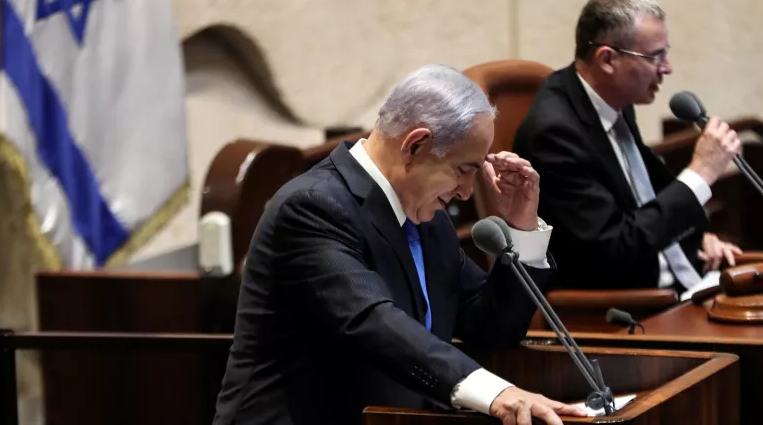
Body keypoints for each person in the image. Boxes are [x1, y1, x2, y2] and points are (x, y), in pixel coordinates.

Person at [213, 64, 587, 425]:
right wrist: (495, 393)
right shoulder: (314, 207)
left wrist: (522, 227)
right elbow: (371, 321)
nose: (466, 192)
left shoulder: (429, 220)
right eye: (463, 170)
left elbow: (491, 328)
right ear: (415, 146)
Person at [512, 0, 744, 292]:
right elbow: (614, 248)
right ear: (608, 59)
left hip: (681, 280)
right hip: (630, 307)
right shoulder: (554, 134)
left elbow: (645, 200)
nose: (667, 68)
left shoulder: (611, 102)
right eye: (655, 57)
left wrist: (697, 237)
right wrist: (702, 172)